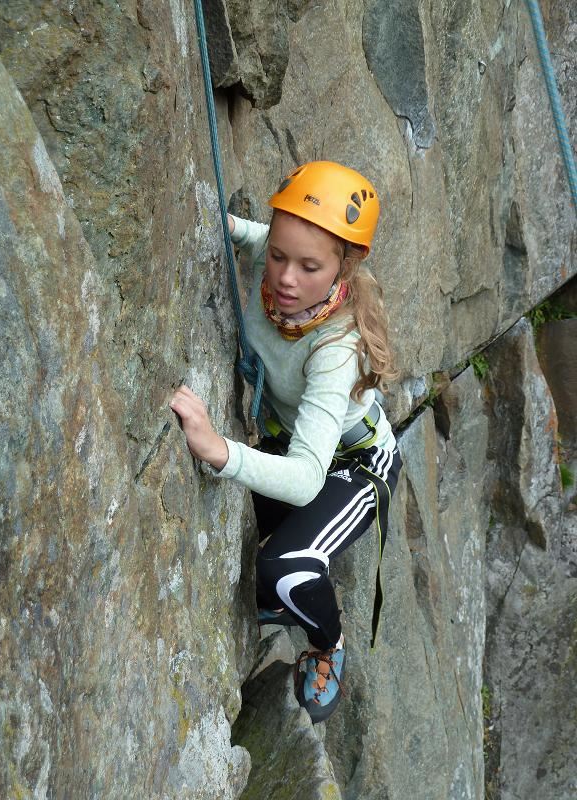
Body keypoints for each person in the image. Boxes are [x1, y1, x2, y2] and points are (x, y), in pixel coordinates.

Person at [170, 161, 402, 724]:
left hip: (353, 466)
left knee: (285, 570)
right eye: (278, 255)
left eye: (309, 266)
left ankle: (327, 644)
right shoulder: (269, 269)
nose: (285, 279)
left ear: (346, 267)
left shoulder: (336, 348)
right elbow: (252, 237)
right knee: (241, 570)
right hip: (294, 441)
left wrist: (219, 450)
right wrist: (225, 225)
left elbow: (304, 480)